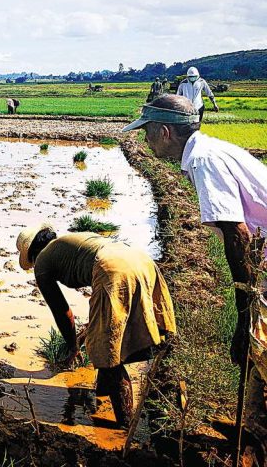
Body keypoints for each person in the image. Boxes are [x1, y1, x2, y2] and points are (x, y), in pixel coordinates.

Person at [123, 93, 267, 453]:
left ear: (165, 132)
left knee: (259, 346)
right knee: (259, 352)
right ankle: (255, 429)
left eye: (147, 133)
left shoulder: (204, 161)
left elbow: (238, 235)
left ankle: (258, 434)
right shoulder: (207, 152)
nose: (144, 140)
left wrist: (243, 311)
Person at [16, 227, 177, 427]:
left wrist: (73, 346)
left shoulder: (42, 261)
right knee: (111, 345)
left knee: (110, 357)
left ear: (31, 253)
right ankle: (105, 414)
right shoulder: (68, 243)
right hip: (142, 261)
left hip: (113, 269)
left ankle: (123, 427)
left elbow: (61, 311)